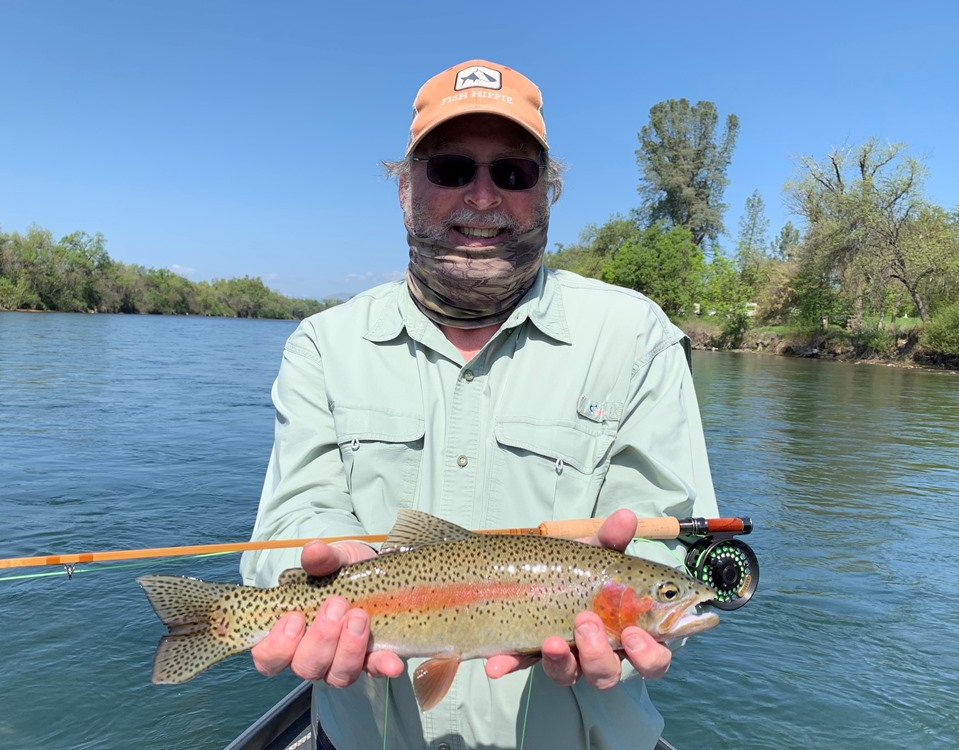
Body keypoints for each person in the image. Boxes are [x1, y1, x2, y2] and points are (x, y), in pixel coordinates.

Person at [240, 59, 719, 750]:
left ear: (547, 194)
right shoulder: (322, 344)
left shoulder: (635, 334)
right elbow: (291, 519)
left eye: (514, 173)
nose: (484, 197)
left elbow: (666, 536)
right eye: (451, 169)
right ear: (405, 189)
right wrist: (320, 559)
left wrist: (649, 585)